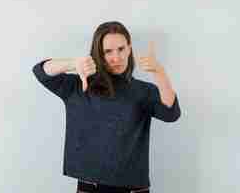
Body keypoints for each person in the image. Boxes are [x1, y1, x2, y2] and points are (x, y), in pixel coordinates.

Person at [32, 21, 181, 193]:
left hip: (133, 188)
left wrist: (159, 72)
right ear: (98, 54)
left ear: (129, 48)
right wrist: (74, 63)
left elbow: (171, 113)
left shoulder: (143, 91)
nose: (116, 58)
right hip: (90, 187)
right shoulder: (81, 84)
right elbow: (41, 71)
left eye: (121, 49)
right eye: (108, 51)